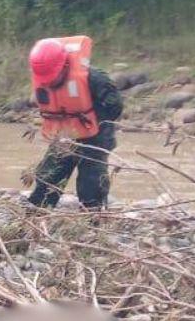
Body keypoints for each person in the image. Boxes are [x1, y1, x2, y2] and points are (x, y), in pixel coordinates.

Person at [25, 36, 123, 209]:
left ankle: (93, 218)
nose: (49, 81)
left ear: (65, 65)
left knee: (91, 182)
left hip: (95, 134)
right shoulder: (41, 76)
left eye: (52, 77)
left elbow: (115, 106)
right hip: (64, 134)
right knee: (48, 175)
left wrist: (93, 121)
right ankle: (38, 212)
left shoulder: (94, 77)